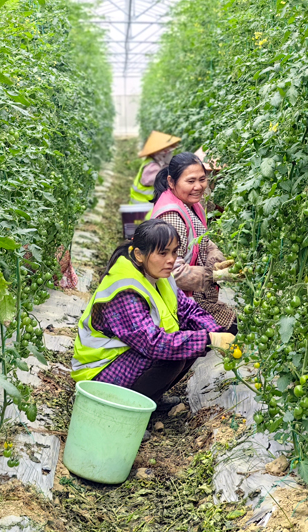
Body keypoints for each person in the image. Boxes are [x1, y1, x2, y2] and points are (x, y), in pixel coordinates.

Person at [71, 219, 236, 408]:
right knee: (174, 352)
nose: (171, 259)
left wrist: (218, 333)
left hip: (124, 357)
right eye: (163, 253)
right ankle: (122, 408)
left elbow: (189, 310)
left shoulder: (159, 276)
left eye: (174, 252)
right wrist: (209, 339)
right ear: (139, 255)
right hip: (97, 373)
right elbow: (153, 343)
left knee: (190, 341)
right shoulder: (125, 290)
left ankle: (149, 400)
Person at [150, 152, 237, 332]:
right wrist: (214, 275)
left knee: (233, 326)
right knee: (228, 331)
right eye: (190, 181)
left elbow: (202, 240)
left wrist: (216, 259)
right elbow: (172, 273)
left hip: (189, 296)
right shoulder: (171, 217)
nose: (199, 186)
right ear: (171, 182)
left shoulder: (192, 205)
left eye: (202, 179)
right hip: (177, 302)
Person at [130, 131, 181, 204]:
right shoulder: (153, 169)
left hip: (144, 207)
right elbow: (168, 182)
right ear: (162, 154)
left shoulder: (152, 162)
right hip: (144, 209)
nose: (170, 154)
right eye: (169, 152)